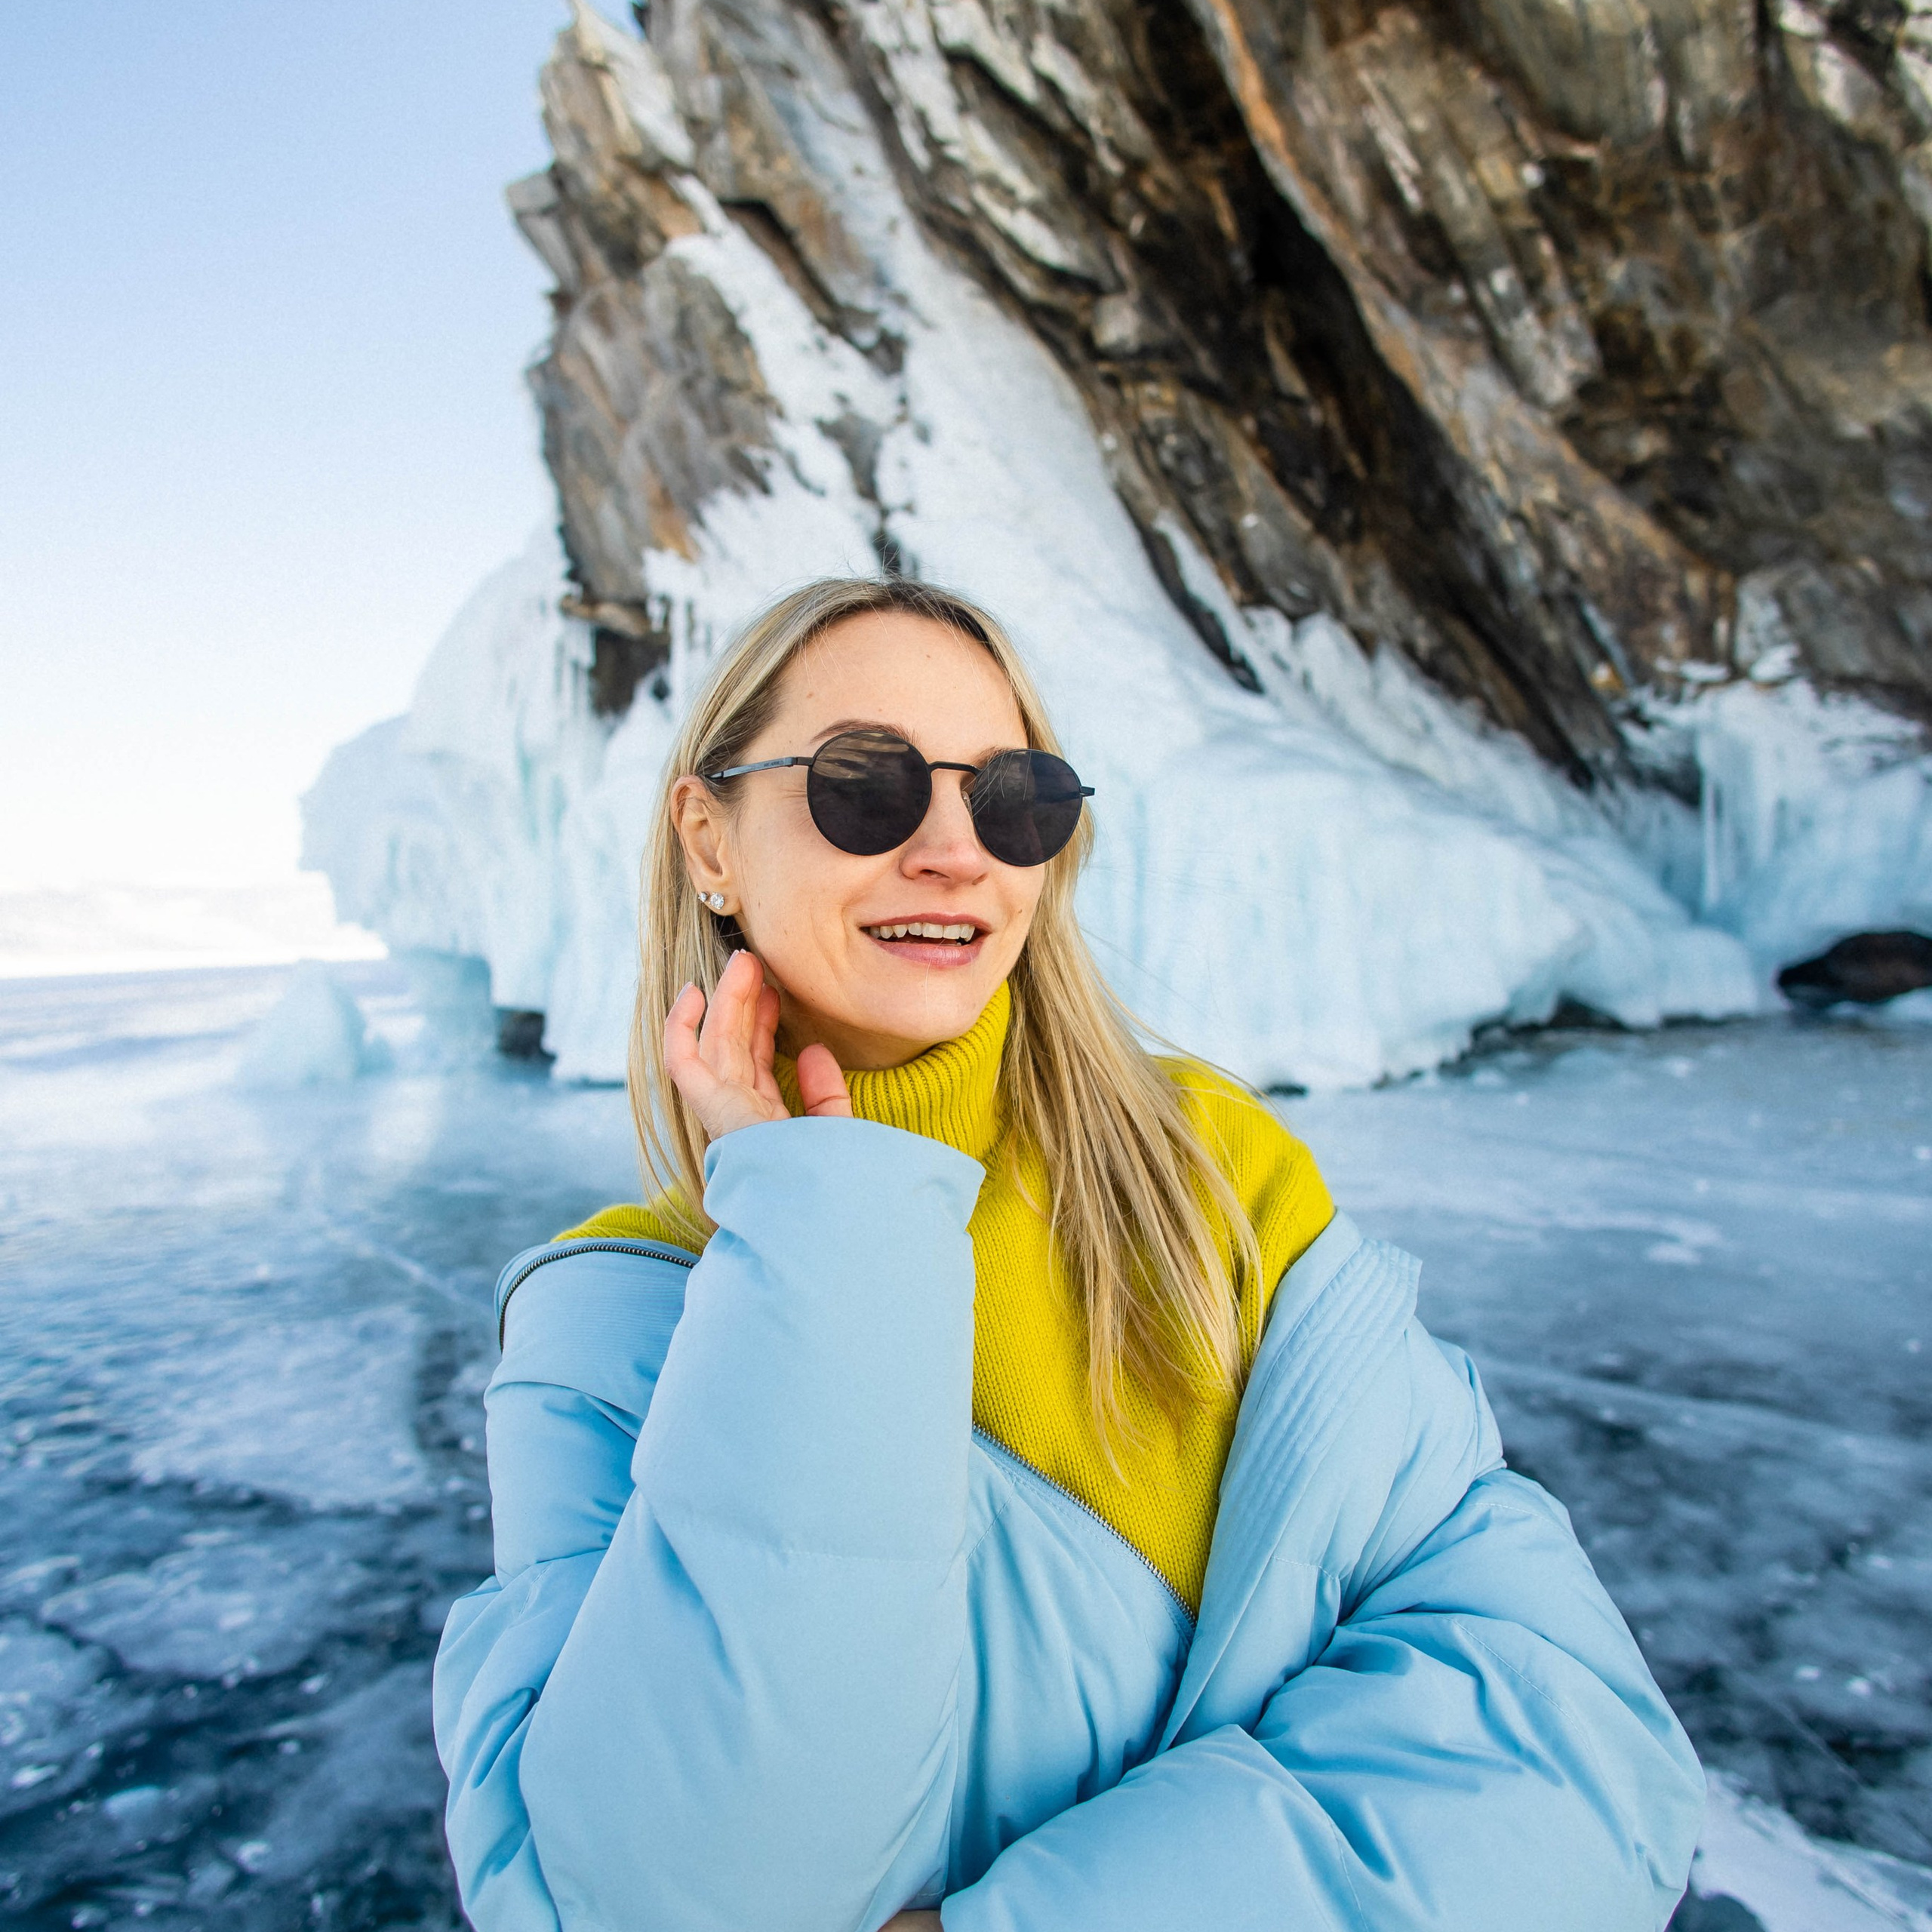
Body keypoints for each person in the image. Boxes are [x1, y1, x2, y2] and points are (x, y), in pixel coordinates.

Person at [432, 576, 1703, 1930]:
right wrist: (821, 1224)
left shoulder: (1213, 1175)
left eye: (1010, 798)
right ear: (709, 837)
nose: (954, 852)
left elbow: (1579, 1745)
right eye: (866, 784)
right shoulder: (612, 1327)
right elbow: (684, 1891)